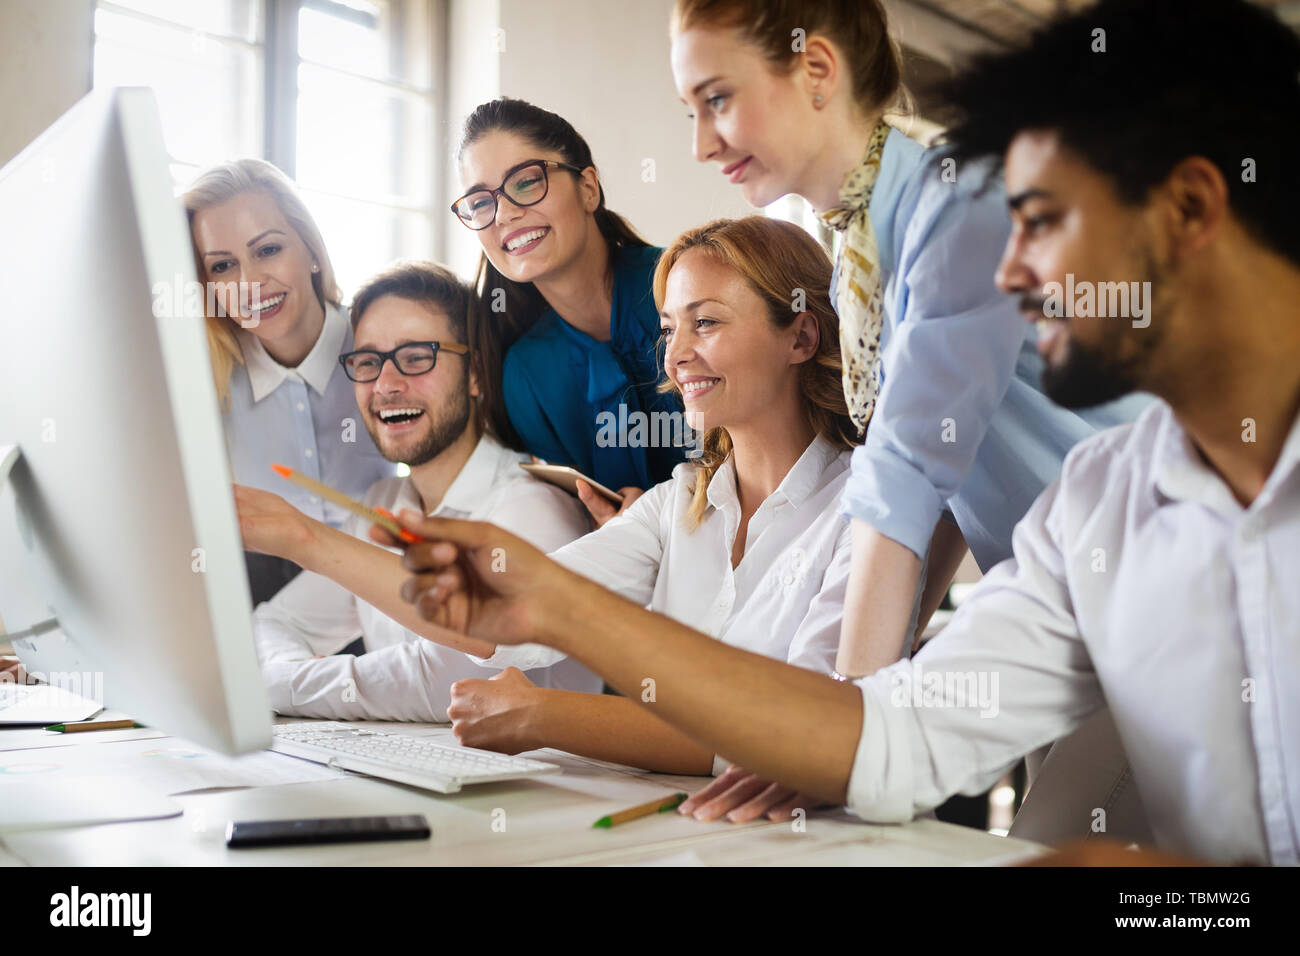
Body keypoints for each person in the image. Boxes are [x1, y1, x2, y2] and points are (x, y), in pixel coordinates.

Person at [382, 0, 1300, 864]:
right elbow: (897, 715)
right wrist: (556, 602)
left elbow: (910, 479)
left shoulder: (942, 223)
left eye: (1042, 223)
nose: (1013, 272)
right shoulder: (1093, 501)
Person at [669, 0, 1148, 678]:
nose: (701, 145)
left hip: (1154, 583)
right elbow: (940, 491)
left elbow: (908, 476)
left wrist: (848, 713)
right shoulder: (859, 261)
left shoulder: (957, 206)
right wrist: (878, 682)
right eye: (690, 111)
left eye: (717, 99)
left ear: (816, 69)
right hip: (1074, 605)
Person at [443, 217, 857, 779]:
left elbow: (795, 732)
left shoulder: (860, 510)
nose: (675, 355)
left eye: (705, 322)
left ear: (801, 338)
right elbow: (506, 614)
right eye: (668, 329)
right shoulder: (676, 501)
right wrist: (332, 547)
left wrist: (541, 715)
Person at [235, 261, 598, 720]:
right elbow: (275, 623)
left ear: (475, 373)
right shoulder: (379, 505)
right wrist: (291, 677)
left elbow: (446, 684)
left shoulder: (534, 508)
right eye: (368, 362)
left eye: (416, 357)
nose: (386, 385)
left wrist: (276, 683)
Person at [452, 98, 688, 520]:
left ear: (588, 189)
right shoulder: (525, 377)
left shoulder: (685, 285)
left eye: (526, 182)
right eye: (481, 204)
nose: (504, 214)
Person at [185, 159, 394, 604]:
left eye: (267, 250)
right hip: (256, 594)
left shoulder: (385, 349)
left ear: (312, 252)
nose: (249, 283)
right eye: (223, 266)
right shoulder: (201, 376)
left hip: (378, 579)